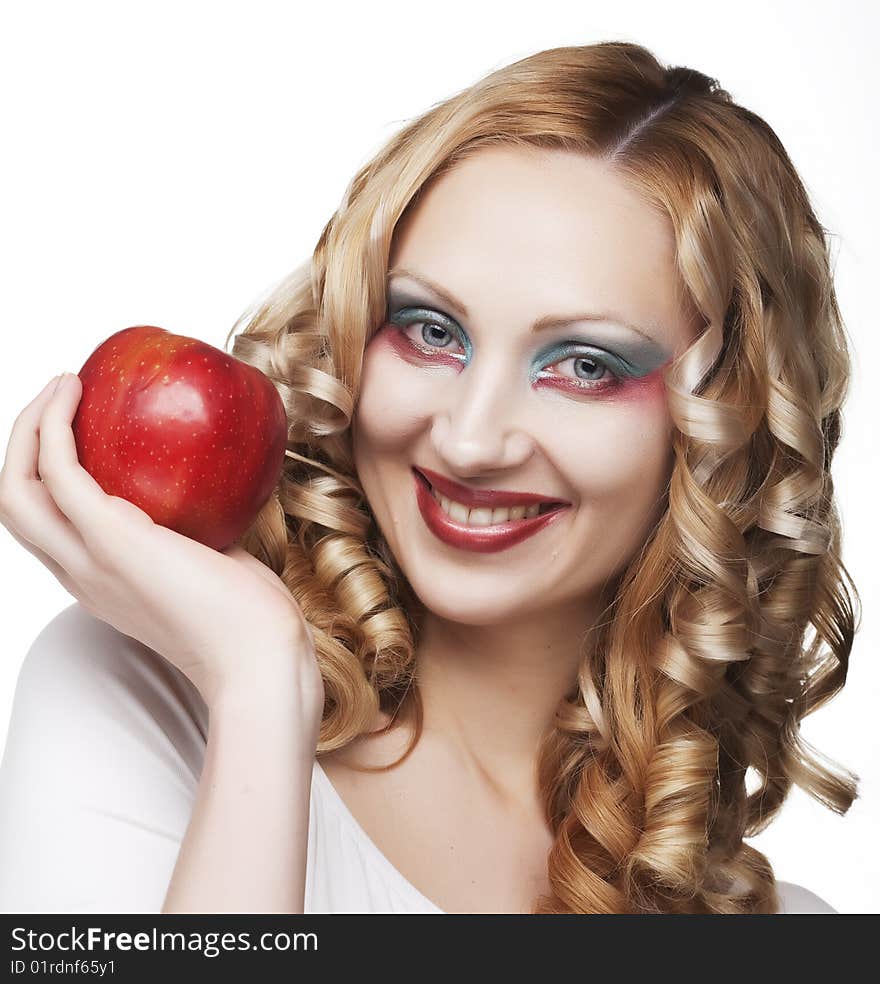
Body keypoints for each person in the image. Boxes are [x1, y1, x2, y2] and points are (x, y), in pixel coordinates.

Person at [0, 40, 859, 915]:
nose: (470, 438)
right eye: (431, 331)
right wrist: (260, 687)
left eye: (587, 366)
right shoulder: (147, 699)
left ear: (726, 428)